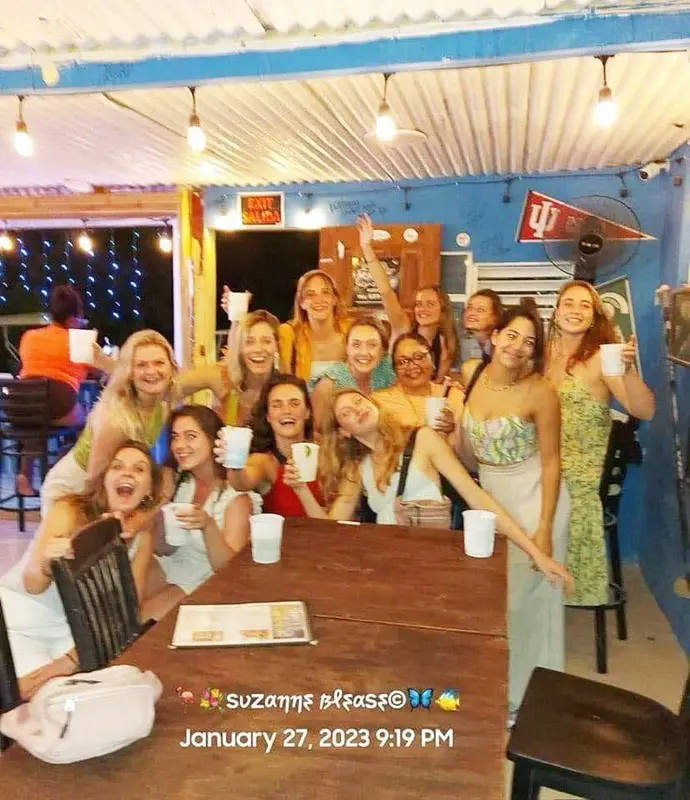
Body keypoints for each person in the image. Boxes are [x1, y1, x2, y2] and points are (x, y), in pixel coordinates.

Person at [289, 388, 572, 583]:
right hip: (388, 567)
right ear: (344, 431)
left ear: (373, 403)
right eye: (347, 413)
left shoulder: (422, 440)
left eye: (359, 402)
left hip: (433, 565)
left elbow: (479, 499)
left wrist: (535, 552)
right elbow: (329, 528)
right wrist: (302, 489)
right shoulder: (357, 468)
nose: (357, 410)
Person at [461, 304, 570, 717]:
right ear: (495, 333)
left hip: (534, 497)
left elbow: (551, 462)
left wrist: (543, 528)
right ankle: (500, 685)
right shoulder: (473, 373)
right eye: (512, 335)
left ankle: (527, 702)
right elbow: (468, 453)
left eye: (529, 342)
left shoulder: (541, 391)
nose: (518, 346)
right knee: (499, 601)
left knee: (529, 605)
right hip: (491, 499)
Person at [0, 441, 162, 698]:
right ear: (104, 480)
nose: (127, 473)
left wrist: (71, 660)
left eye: (139, 469)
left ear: (149, 491)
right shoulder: (70, 510)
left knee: (91, 696)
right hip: (24, 620)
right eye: (117, 466)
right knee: (32, 700)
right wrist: (47, 563)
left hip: (71, 631)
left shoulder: (142, 536)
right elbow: (32, 584)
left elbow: (127, 612)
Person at [545, 280, 655, 606]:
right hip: (544, 457)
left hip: (581, 469)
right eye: (568, 303)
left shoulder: (601, 359)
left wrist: (629, 370)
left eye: (584, 305)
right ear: (555, 311)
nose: (575, 310)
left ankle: (549, 586)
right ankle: (521, 586)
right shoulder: (544, 353)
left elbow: (644, 409)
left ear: (594, 317)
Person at [39, 329, 181, 516]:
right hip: (74, 491)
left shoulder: (160, 405)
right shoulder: (116, 422)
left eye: (159, 363)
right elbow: (92, 482)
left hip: (111, 488)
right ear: (131, 373)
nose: (151, 371)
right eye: (141, 365)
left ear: (171, 368)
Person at [148, 406, 258, 608]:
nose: (179, 445)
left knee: (147, 616)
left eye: (190, 436)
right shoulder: (180, 482)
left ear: (213, 440)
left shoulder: (236, 498)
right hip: (174, 563)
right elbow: (163, 548)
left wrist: (208, 526)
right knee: (124, 606)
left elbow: (230, 571)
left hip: (207, 578)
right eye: (175, 437)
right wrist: (159, 516)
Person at [357, 214, 458, 380]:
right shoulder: (403, 327)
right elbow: (386, 291)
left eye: (430, 304)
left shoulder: (445, 345)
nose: (422, 309)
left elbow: (437, 388)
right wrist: (367, 248)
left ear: (443, 310)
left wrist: (445, 364)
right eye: (418, 304)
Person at [16, 286, 91, 496]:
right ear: (72, 318)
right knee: (88, 423)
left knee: (38, 421)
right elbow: (93, 369)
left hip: (20, 405)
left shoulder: (29, 336)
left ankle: (25, 475)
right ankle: (58, 473)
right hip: (57, 403)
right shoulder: (77, 341)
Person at [223, 375, 323, 517]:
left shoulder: (325, 452)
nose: (286, 410)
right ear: (268, 416)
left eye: (294, 404)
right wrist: (234, 461)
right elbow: (241, 483)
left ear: (307, 412)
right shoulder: (264, 461)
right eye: (277, 405)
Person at [309, 315, 396, 431]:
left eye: (372, 345)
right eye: (356, 345)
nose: (364, 352)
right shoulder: (327, 385)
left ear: (382, 350)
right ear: (347, 349)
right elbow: (317, 432)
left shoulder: (390, 369)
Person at [373, 332, 464, 439]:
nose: (411, 366)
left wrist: (454, 428)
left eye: (418, 357)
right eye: (402, 362)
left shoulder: (453, 394)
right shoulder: (379, 401)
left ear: (433, 359)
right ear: (395, 369)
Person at [278, 270, 351, 383]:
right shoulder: (289, 334)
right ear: (301, 302)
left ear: (334, 299)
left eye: (325, 292)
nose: (319, 300)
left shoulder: (352, 331)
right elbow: (285, 384)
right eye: (310, 294)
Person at [460, 289, 503, 365]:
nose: (471, 313)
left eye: (480, 310)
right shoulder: (455, 342)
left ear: (494, 318)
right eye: (470, 308)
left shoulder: (502, 345)